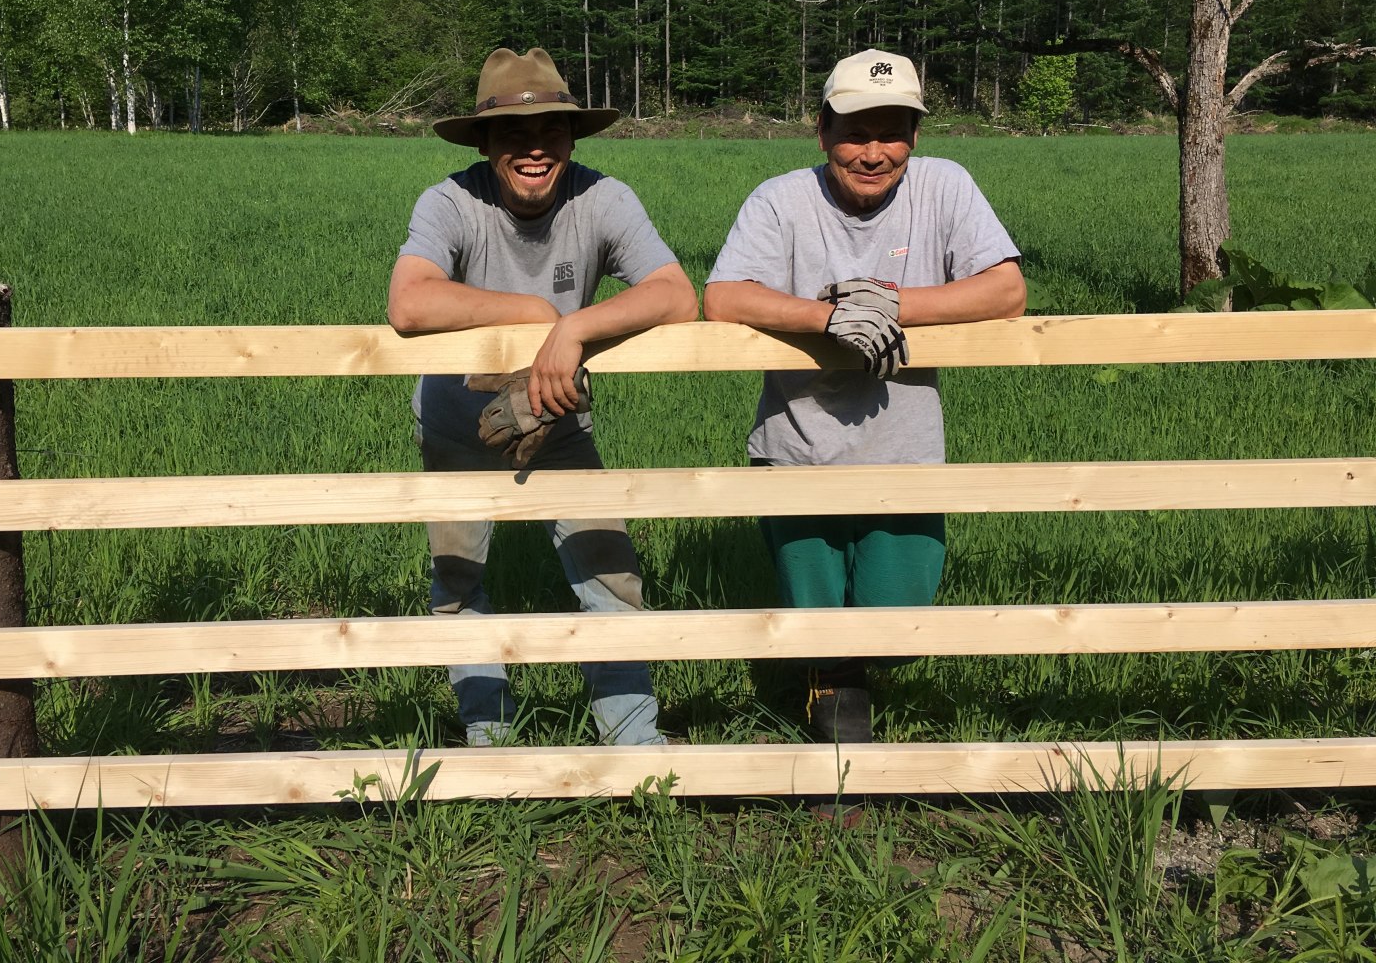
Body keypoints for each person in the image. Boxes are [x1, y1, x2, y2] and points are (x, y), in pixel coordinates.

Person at [703, 48, 1025, 743]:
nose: (874, 152)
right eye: (855, 131)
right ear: (821, 131)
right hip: (797, 445)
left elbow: (1006, 290)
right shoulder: (781, 200)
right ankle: (838, 735)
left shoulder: (945, 187)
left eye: (893, 131)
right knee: (820, 623)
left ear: (915, 135)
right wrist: (827, 316)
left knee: (895, 615)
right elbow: (724, 296)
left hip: (904, 450)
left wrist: (885, 300)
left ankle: (851, 689)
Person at [388, 47, 698, 747]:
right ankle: (487, 731)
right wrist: (535, 316)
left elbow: (677, 295)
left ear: (572, 138)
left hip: (557, 419)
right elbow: (408, 303)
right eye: (513, 137)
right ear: (486, 143)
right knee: (459, 582)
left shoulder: (603, 199)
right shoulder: (451, 200)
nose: (534, 150)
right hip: (454, 424)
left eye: (551, 133)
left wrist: (577, 328)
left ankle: (632, 738)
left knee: (609, 568)